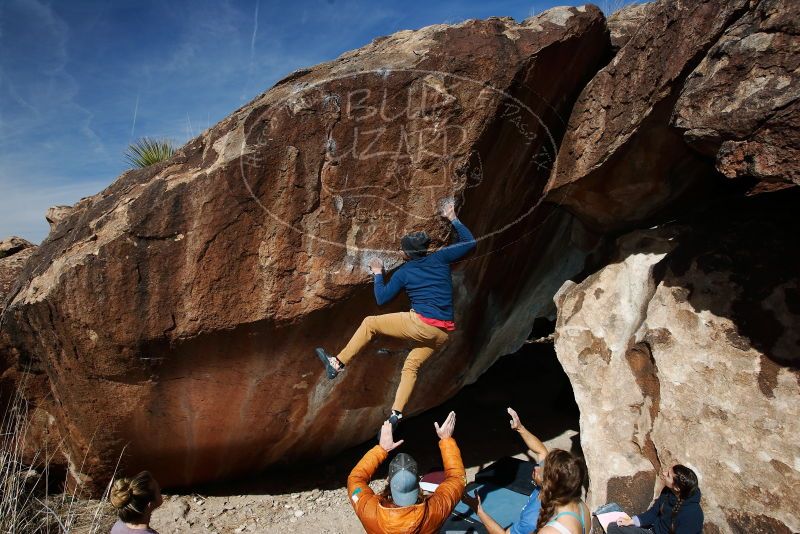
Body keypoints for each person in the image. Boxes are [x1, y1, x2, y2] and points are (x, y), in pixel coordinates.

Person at [316, 199, 476, 431]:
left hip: (421, 324)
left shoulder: (405, 272)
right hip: (442, 334)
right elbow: (469, 242)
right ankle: (396, 413)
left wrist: (378, 273)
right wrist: (452, 217)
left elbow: (381, 299)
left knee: (370, 323)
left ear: (408, 254)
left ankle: (337, 363)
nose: (399, 251)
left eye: (402, 249)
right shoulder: (440, 258)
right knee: (411, 365)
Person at [346, 410, 466, 534]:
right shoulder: (436, 510)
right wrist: (446, 440)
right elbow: (457, 478)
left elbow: (355, 479)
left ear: (388, 480)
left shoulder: (369, 512)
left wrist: (381, 450)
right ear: (418, 482)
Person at [462, 407, 550, 534]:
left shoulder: (531, 519)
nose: (535, 467)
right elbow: (541, 451)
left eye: (539, 470)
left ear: (548, 481)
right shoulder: (556, 487)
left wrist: (478, 510)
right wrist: (520, 428)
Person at [608, 465, 703, 534]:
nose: (664, 473)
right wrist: (631, 521)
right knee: (614, 527)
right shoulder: (668, 491)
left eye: (668, 475)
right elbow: (653, 513)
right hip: (652, 530)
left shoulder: (693, 514)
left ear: (677, 488)